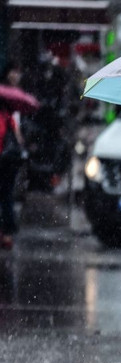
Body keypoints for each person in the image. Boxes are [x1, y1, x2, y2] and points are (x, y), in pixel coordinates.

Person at [0, 64, 27, 250]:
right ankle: (8, 231)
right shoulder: (9, 115)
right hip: (10, 160)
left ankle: (7, 231)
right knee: (7, 195)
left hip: (4, 159)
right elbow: (17, 138)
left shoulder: (5, 116)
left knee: (5, 195)